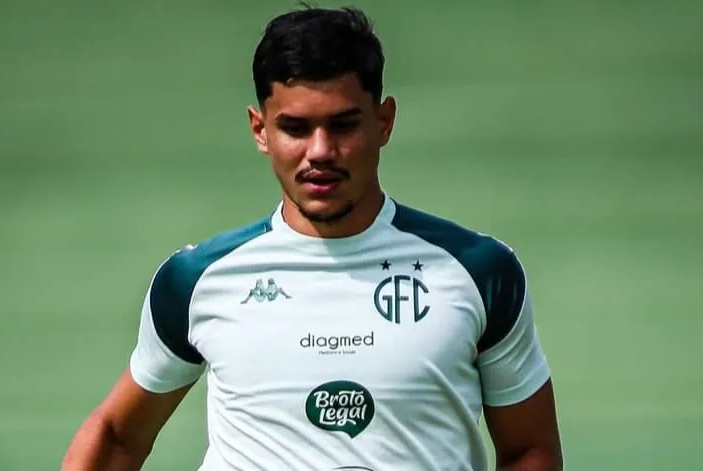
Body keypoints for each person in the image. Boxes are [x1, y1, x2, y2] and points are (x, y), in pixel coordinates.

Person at [61, 5, 562, 471]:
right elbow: (117, 436)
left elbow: (529, 450)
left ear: (383, 121)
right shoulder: (196, 281)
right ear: (260, 131)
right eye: (295, 128)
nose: (320, 151)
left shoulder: (479, 272)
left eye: (343, 125)